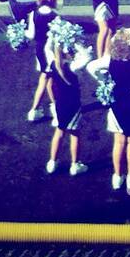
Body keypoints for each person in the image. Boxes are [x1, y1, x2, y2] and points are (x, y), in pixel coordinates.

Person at [87, 29, 130, 194]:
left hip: (116, 106)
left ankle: (117, 178)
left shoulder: (109, 60)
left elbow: (91, 67)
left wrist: (104, 81)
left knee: (118, 142)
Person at [44, 28, 93, 177]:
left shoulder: (52, 63)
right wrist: (75, 40)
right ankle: (75, 164)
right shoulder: (72, 67)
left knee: (59, 131)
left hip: (59, 104)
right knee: (75, 133)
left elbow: (47, 48)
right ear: (69, 51)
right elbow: (87, 56)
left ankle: (52, 162)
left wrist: (52, 36)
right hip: (73, 105)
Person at [25, 0, 59, 122]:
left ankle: (35, 110)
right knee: (50, 80)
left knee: (44, 79)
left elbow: (31, 35)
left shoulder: (34, 14)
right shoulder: (55, 15)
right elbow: (57, 37)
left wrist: (22, 32)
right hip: (50, 52)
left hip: (39, 50)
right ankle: (56, 110)